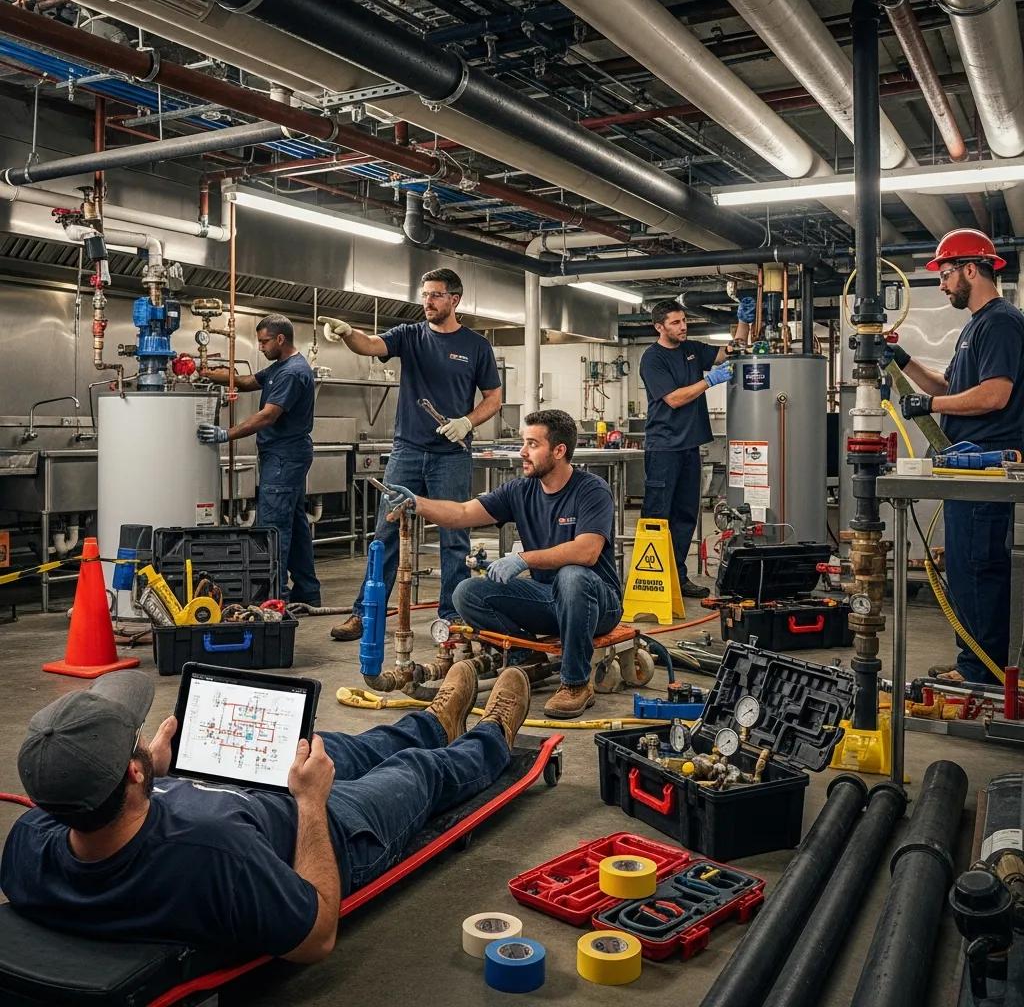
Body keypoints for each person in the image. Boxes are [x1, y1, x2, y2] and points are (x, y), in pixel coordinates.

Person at [1, 665, 531, 962]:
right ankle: (492, 735)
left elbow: (103, 825)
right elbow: (318, 935)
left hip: (220, 789)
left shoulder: (30, 842)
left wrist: (157, 774)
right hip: (319, 830)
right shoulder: (212, 855)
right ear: (132, 773)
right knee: (416, 772)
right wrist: (310, 802)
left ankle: (437, 721)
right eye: (136, 740)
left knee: (352, 745)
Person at [378, 410, 621, 720]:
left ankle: (575, 684)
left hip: (598, 605)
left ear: (559, 451)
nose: (522, 452)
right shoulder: (520, 490)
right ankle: (526, 653)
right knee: (466, 592)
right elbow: (464, 513)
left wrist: (522, 559)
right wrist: (417, 503)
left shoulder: (591, 489)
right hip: (548, 598)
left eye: (532, 444)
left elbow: (586, 551)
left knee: (572, 575)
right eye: (524, 443)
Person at [319, 268, 502, 640]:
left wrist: (466, 423)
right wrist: (347, 333)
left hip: (452, 455)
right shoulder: (409, 336)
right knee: (385, 533)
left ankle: (451, 616)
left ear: (455, 300)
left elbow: (494, 399)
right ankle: (365, 614)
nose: (428, 302)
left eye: (436, 295)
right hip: (407, 451)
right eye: (424, 295)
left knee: (454, 537)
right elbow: (371, 345)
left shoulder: (476, 346)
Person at [894, 228, 1024, 684]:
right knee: (966, 567)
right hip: (966, 464)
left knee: (979, 568)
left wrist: (929, 407)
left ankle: (981, 675)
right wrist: (902, 360)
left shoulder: (1001, 322)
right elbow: (951, 389)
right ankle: (971, 664)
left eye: (947, 274)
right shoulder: (975, 326)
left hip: (987, 464)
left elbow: (993, 395)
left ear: (972, 269)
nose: (943, 284)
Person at [197, 313, 321, 607]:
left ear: (280, 339)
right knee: (295, 525)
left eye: (264, 342)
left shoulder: (292, 372)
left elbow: (268, 415)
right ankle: (308, 592)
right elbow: (246, 381)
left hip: (284, 457)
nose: (261, 346)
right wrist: (205, 372)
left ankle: (274, 597)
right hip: (284, 456)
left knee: (273, 528)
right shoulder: (280, 367)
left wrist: (226, 434)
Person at [639, 297, 754, 598]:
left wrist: (744, 321)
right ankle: (652, 579)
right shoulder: (652, 359)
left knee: (686, 515)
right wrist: (710, 381)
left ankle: (678, 577)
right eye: (676, 323)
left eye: (684, 321)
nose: (683, 326)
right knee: (658, 516)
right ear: (659, 327)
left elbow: (733, 349)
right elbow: (674, 399)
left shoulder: (692, 349)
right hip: (664, 447)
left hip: (690, 446)